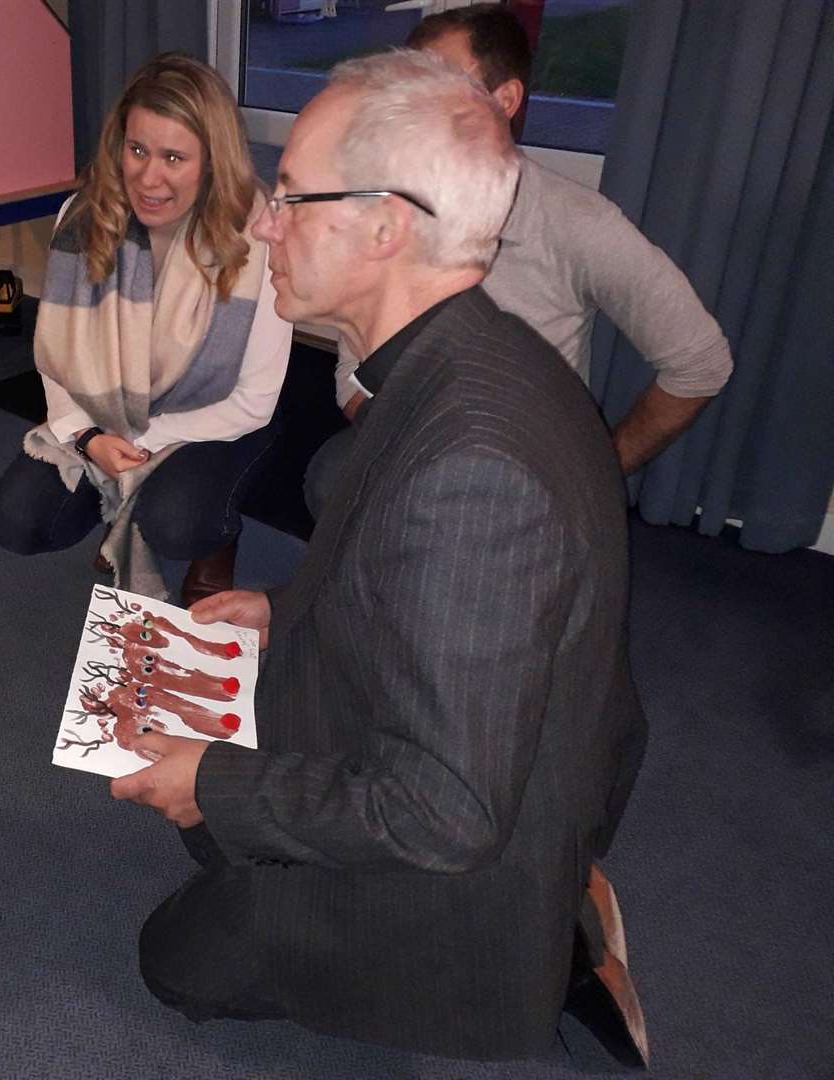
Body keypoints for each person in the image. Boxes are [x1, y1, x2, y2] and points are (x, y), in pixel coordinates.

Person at [111, 51, 647, 1061]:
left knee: (172, 959)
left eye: (289, 197)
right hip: (448, 727)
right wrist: (282, 606)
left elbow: (446, 810)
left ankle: (555, 938)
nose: (264, 224)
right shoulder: (466, 353)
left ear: (387, 225)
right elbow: (407, 557)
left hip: (469, 848)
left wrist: (218, 787)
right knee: (193, 793)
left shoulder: (477, 465)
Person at [305, 3, 732, 520]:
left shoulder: (576, 222)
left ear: (505, 100)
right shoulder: (389, 211)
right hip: (411, 434)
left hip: (527, 455)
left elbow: (701, 362)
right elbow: (353, 368)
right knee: (331, 478)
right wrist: (410, 440)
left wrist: (600, 466)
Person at [0, 53, 292, 606]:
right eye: (137, 150)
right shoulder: (82, 219)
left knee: (177, 521)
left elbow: (255, 401)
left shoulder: (257, 236)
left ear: (212, 160)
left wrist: (138, 442)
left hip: (216, 418)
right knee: (18, 521)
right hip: (106, 423)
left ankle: (218, 539)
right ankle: (123, 497)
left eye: (174, 157)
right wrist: (86, 436)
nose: (149, 178)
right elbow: (57, 359)